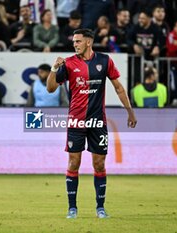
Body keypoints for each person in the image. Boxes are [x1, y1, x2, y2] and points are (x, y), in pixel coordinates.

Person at [46, 28, 137, 219]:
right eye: (74, 42)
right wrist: (54, 69)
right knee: (74, 162)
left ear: (88, 42)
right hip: (76, 122)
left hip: (98, 122)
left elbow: (119, 88)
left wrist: (129, 111)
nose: (75, 44)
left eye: (78, 41)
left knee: (99, 164)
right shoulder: (69, 63)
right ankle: (72, 208)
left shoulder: (104, 61)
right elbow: (51, 88)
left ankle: (100, 208)